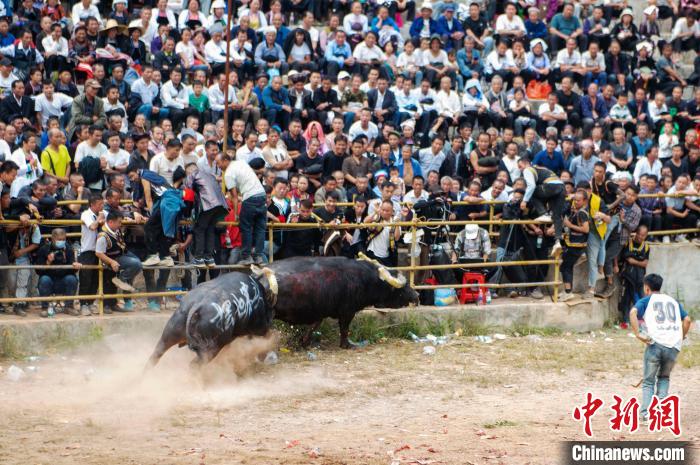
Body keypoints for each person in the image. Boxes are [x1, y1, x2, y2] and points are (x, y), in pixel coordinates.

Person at [629, 273, 692, 423]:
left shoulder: (646, 300)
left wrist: (638, 334)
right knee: (664, 378)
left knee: (649, 382)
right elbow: (687, 320)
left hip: (655, 344)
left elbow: (633, 312)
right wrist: (680, 337)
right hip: (673, 347)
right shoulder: (673, 301)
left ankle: (645, 415)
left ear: (646, 287)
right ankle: (660, 413)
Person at [95, 210, 143, 312]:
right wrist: (112, 262)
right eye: (119, 222)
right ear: (111, 222)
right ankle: (106, 305)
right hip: (111, 259)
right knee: (135, 264)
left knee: (137, 263)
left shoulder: (115, 229)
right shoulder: (103, 236)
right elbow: (99, 253)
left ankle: (113, 303)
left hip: (121, 254)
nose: (120, 224)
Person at [518, 157, 565, 257]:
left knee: (531, 192)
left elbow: (531, 186)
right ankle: (557, 242)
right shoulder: (541, 169)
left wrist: (524, 200)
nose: (520, 169)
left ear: (526, 163)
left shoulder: (528, 169)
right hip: (561, 187)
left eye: (520, 166)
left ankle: (543, 213)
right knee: (556, 216)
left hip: (550, 186)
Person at [224, 157, 267, 265]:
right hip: (262, 195)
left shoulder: (228, 174)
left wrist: (236, 216)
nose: (219, 166)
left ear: (225, 161)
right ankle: (258, 256)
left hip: (250, 197)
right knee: (260, 228)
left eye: (219, 163)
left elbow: (234, 196)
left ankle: (246, 257)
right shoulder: (241, 162)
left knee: (246, 227)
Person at [35, 228, 81, 317]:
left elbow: (73, 269)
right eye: (59, 240)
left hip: (63, 281)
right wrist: (48, 262)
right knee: (44, 279)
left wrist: (75, 266)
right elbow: (38, 271)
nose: (62, 242)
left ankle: (69, 306)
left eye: (64, 240)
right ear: (52, 239)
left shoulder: (68, 248)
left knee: (72, 279)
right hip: (49, 281)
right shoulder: (44, 249)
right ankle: (45, 307)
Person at [559, 190, 590, 301]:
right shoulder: (576, 210)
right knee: (568, 266)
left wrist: (569, 225)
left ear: (584, 201)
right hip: (573, 244)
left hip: (576, 245)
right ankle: (568, 290)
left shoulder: (582, 213)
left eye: (578, 200)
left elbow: (586, 229)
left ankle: (568, 292)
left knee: (565, 267)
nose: (575, 202)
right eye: (574, 200)